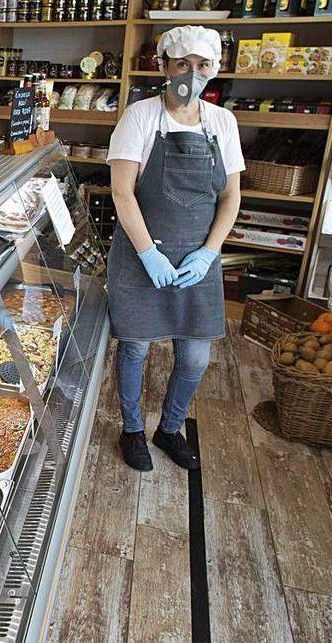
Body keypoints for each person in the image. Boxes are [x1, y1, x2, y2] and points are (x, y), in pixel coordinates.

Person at [104, 26, 243, 471]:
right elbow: (123, 193)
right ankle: (131, 431)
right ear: (164, 66)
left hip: (198, 259)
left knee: (195, 355)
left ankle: (169, 428)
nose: (192, 74)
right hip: (143, 255)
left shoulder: (224, 123)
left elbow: (230, 197)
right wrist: (147, 253)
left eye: (202, 66)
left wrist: (209, 252)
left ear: (213, 71)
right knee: (136, 347)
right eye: (183, 64)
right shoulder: (140, 117)